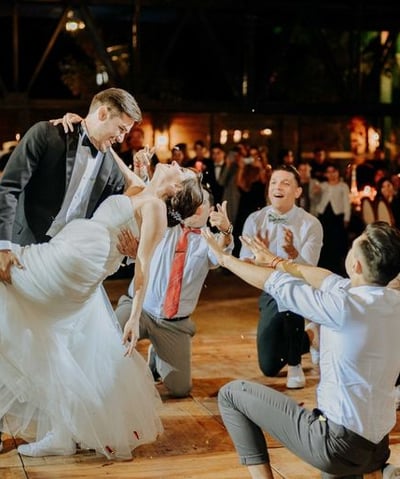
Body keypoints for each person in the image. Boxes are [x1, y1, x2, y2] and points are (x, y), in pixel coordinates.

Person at [0, 154, 204, 459]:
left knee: (10, 284)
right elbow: (109, 151)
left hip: (76, 266)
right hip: (72, 255)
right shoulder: (141, 188)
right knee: (57, 344)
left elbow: (143, 268)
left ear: (176, 189)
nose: (175, 163)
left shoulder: (156, 209)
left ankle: (60, 434)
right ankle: (62, 434)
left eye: (181, 170)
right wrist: (93, 133)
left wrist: (134, 317)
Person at [202, 221, 400, 479]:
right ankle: (380, 471)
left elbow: (275, 283)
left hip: (335, 445)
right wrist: (275, 261)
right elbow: (327, 279)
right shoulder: (391, 301)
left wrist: (224, 260)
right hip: (377, 448)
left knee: (231, 395)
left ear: (356, 266)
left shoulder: (342, 307)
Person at [114, 189, 234, 397]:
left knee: (180, 389)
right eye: (192, 200)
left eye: (202, 202)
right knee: (111, 337)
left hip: (172, 324)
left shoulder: (209, 240)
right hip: (139, 308)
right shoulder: (164, 226)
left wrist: (226, 232)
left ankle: (157, 353)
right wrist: (136, 251)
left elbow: (220, 254)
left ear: (210, 211)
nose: (195, 206)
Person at [239, 164, 323, 388]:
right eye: (274, 182)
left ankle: (295, 364)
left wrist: (294, 254)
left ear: (297, 192)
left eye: (285, 183)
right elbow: (244, 260)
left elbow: (308, 270)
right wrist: (257, 259)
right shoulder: (255, 220)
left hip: (299, 290)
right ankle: (311, 336)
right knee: (269, 366)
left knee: (292, 297)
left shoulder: (311, 224)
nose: (278, 187)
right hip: (269, 289)